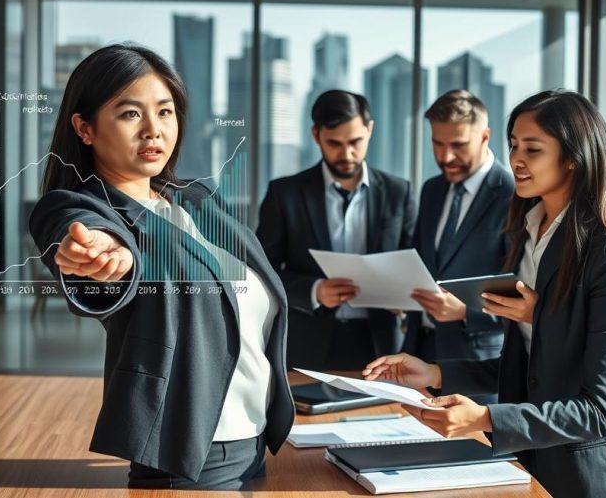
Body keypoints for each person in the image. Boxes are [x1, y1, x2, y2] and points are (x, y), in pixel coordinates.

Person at [363, 90, 606, 498]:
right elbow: (527, 368)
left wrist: (486, 417)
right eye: (514, 146)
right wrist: (435, 373)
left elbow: (597, 411)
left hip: (593, 475)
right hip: (531, 464)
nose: (516, 159)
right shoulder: (529, 233)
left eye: (533, 149)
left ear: (574, 157)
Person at [28, 44, 293, 490]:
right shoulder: (82, 207)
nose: (154, 130)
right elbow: (81, 231)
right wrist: (107, 253)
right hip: (189, 455)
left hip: (253, 441)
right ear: (85, 128)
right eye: (131, 114)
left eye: (165, 112)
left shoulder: (196, 199)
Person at [256, 90, 417, 370]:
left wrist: (403, 294)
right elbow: (261, 272)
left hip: (381, 346)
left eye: (355, 141)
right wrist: (314, 291)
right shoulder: (285, 194)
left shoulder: (398, 192)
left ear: (370, 130)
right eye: (334, 143)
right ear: (316, 135)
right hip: (306, 345)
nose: (347, 154)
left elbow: (416, 262)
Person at [403, 90, 513, 366]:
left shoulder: (514, 196)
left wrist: (466, 312)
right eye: (437, 143)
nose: (446, 156)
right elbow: (420, 263)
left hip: (478, 362)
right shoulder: (432, 189)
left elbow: (526, 293)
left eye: (458, 145)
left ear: (485, 137)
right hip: (421, 352)